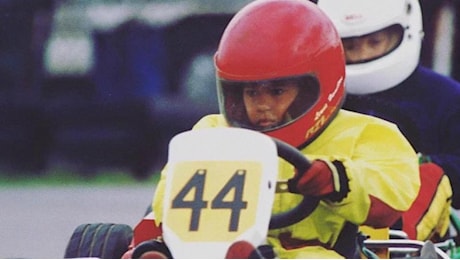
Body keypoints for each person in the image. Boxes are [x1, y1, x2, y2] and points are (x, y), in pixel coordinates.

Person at [135, 0, 420, 258]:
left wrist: (337, 180)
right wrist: (154, 232)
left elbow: (392, 195)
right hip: (224, 248)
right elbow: (173, 196)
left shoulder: (366, 134)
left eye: (277, 91)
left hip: (319, 251)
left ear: (318, 83)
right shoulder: (213, 133)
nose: (262, 105)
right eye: (251, 93)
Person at [317, 0, 456, 242]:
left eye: (374, 42)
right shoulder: (317, 97)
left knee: (430, 175)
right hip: (331, 215)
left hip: (414, 230)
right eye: (350, 46)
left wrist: (416, 165)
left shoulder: (446, 97)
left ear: (406, 29)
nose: (363, 54)